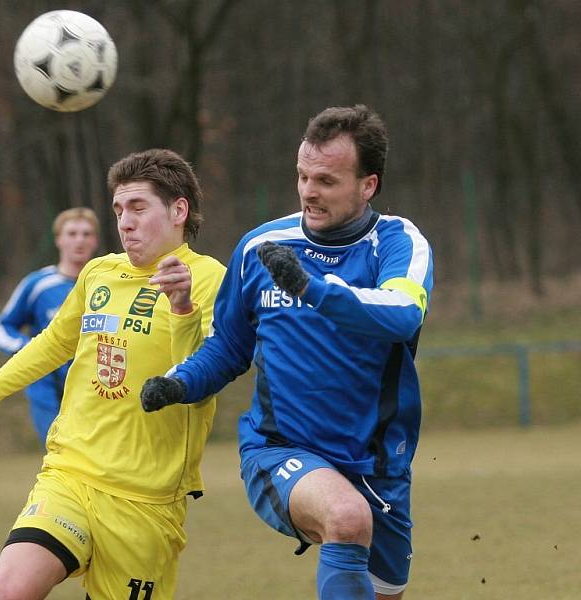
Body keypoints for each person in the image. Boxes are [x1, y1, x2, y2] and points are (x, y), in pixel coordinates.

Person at [141, 105, 434, 600]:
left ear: (368, 185)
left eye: (325, 179)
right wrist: (180, 381)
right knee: (345, 517)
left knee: (384, 589)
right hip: (281, 450)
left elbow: (402, 312)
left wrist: (313, 289)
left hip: (380, 462)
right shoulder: (262, 246)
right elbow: (230, 346)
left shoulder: (397, 243)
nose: (307, 191)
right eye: (301, 175)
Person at [0, 148, 226, 600]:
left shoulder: (210, 279)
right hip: (71, 473)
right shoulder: (99, 273)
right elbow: (54, 341)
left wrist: (183, 309)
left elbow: (198, 380)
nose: (124, 222)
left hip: (146, 499)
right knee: (9, 591)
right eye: (118, 210)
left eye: (137, 207)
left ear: (178, 210)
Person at [0, 207, 99, 442]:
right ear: (58, 239)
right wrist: (26, 348)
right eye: (72, 233)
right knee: (61, 454)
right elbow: (2, 325)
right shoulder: (38, 285)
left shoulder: (106, 284)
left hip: (95, 388)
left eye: (86, 234)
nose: (80, 240)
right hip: (48, 389)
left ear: (95, 241)